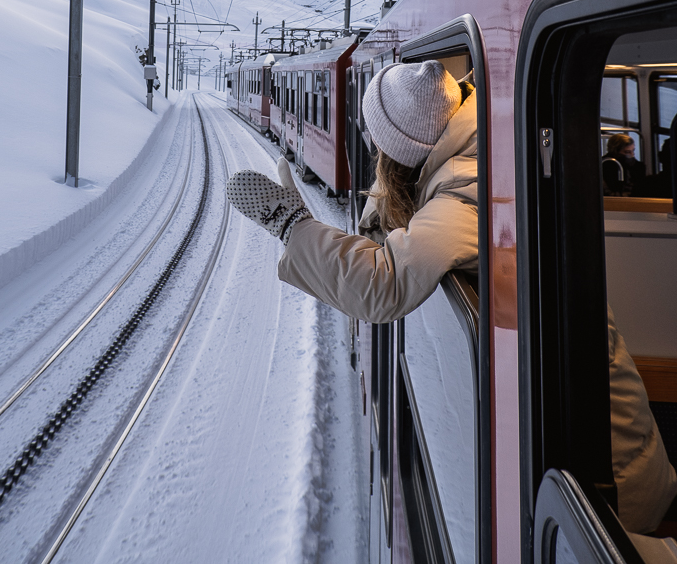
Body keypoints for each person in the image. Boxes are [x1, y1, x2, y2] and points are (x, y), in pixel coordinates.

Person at [227, 60, 677, 535]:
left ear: (400, 155)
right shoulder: (474, 142)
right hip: (589, 451)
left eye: (378, 146)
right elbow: (406, 184)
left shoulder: (466, 195)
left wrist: (291, 224)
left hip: (606, 495)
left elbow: (384, 282)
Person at [602, 133, 646, 197]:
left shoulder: (639, 167)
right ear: (615, 151)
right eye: (627, 152)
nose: (632, 154)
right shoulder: (605, 164)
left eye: (633, 151)